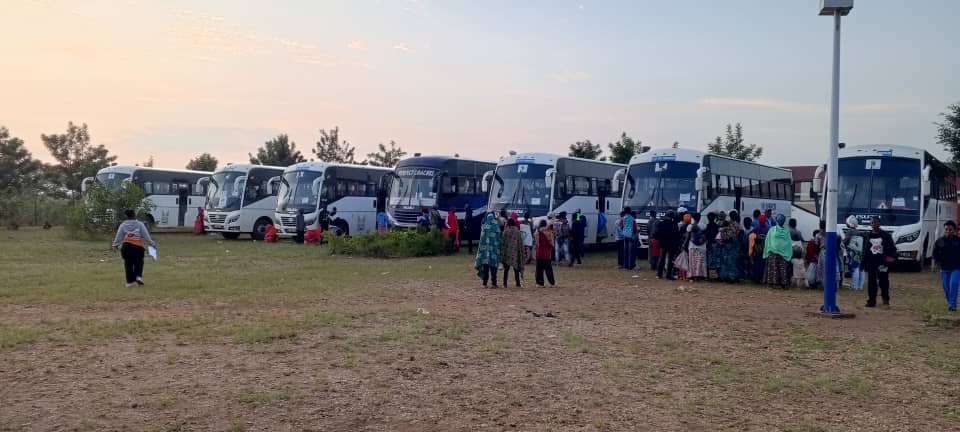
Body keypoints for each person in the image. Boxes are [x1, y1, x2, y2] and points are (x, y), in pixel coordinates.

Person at [112, 209, 156, 287]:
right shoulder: (140, 224)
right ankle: (138, 276)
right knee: (139, 262)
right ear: (135, 215)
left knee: (128, 264)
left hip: (126, 247)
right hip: (137, 247)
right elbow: (146, 236)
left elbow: (119, 236)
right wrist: (152, 244)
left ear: (126, 216)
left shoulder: (123, 225)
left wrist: (115, 245)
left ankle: (129, 282)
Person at [862, 216, 896, 307]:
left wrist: (891, 259)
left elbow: (892, 248)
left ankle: (885, 299)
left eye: (875, 222)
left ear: (879, 223)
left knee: (883, 281)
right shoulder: (868, 236)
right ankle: (871, 301)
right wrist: (864, 261)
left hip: (882, 262)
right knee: (871, 282)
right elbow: (865, 250)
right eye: (872, 223)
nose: (874, 224)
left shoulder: (886, 235)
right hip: (871, 262)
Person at [933, 220, 960, 311]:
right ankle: (950, 303)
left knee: (954, 284)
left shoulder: (958, 241)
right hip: (944, 268)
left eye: (950, 229)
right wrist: (934, 264)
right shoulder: (940, 241)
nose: (948, 231)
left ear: (954, 230)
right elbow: (934, 253)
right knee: (946, 287)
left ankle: (952, 305)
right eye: (946, 229)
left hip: (956, 268)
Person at [763, 214, 794, 289]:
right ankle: (784, 283)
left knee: (773, 268)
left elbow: (767, 240)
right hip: (783, 253)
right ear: (784, 221)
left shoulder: (772, 230)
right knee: (783, 268)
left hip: (773, 252)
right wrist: (788, 251)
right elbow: (789, 242)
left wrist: (767, 249)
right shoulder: (786, 231)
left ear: (777, 220)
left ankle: (772, 282)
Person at [475, 213, 502, 288]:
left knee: (485, 268)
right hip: (494, 250)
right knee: (493, 267)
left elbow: (481, 239)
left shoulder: (484, 226)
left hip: (485, 251)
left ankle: (484, 284)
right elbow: (499, 238)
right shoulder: (496, 226)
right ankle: (494, 283)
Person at [716, 211, 743, 282]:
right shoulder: (738, 225)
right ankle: (733, 276)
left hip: (727, 244)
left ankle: (726, 276)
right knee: (734, 261)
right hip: (735, 245)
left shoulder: (727, 224)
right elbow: (740, 235)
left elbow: (720, 230)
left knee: (726, 261)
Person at [655, 211, 680, 280]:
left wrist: (660, 241)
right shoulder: (674, 224)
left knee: (661, 259)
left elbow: (657, 234)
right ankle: (668, 275)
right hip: (671, 244)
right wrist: (677, 244)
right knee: (670, 260)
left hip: (662, 244)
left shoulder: (661, 223)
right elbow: (677, 235)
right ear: (672, 216)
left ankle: (659, 274)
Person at [500, 218, 525, 288]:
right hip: (515, 252)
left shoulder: (506, 231)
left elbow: (503, 242)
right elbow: (520, 242)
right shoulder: (517, 231)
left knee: (506, 269)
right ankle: (518, 283)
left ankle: (505, 283)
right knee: (516, 269)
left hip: (507, 253)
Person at [843, 215, 865, 290]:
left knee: (855, 268)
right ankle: (860, 286)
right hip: (860, 252)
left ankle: (854, 286)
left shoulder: (849, 232)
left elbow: (845, 242)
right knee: (861, 268)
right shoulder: (859, 232)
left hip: (852, 252)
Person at [534, 220, 556, 286]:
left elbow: (537, 243)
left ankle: (540, 283)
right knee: (549, 269)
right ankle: (552, 282)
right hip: (547, 254)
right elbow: (552, 244)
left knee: (539, 269)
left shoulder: (537, 232)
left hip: (539, 253)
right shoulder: (549, 232)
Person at [750, 215, 768, 283]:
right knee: (763, 264)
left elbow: (751, 237)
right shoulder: (768, 229)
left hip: (757, 249)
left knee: (756, 264)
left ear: (759, 221)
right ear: (765, 221)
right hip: (765, 249)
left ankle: (756, 278)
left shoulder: (755, 229)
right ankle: (762, 278)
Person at [704, 212, 720, 279]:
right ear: (714, 218)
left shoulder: (707, 226)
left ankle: (708, 275)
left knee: (708, 259)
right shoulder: (717, 226)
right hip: (715, 243)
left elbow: (706, 235)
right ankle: (718, 275)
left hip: (709, 244)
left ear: (708, 218)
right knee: (716, 259)